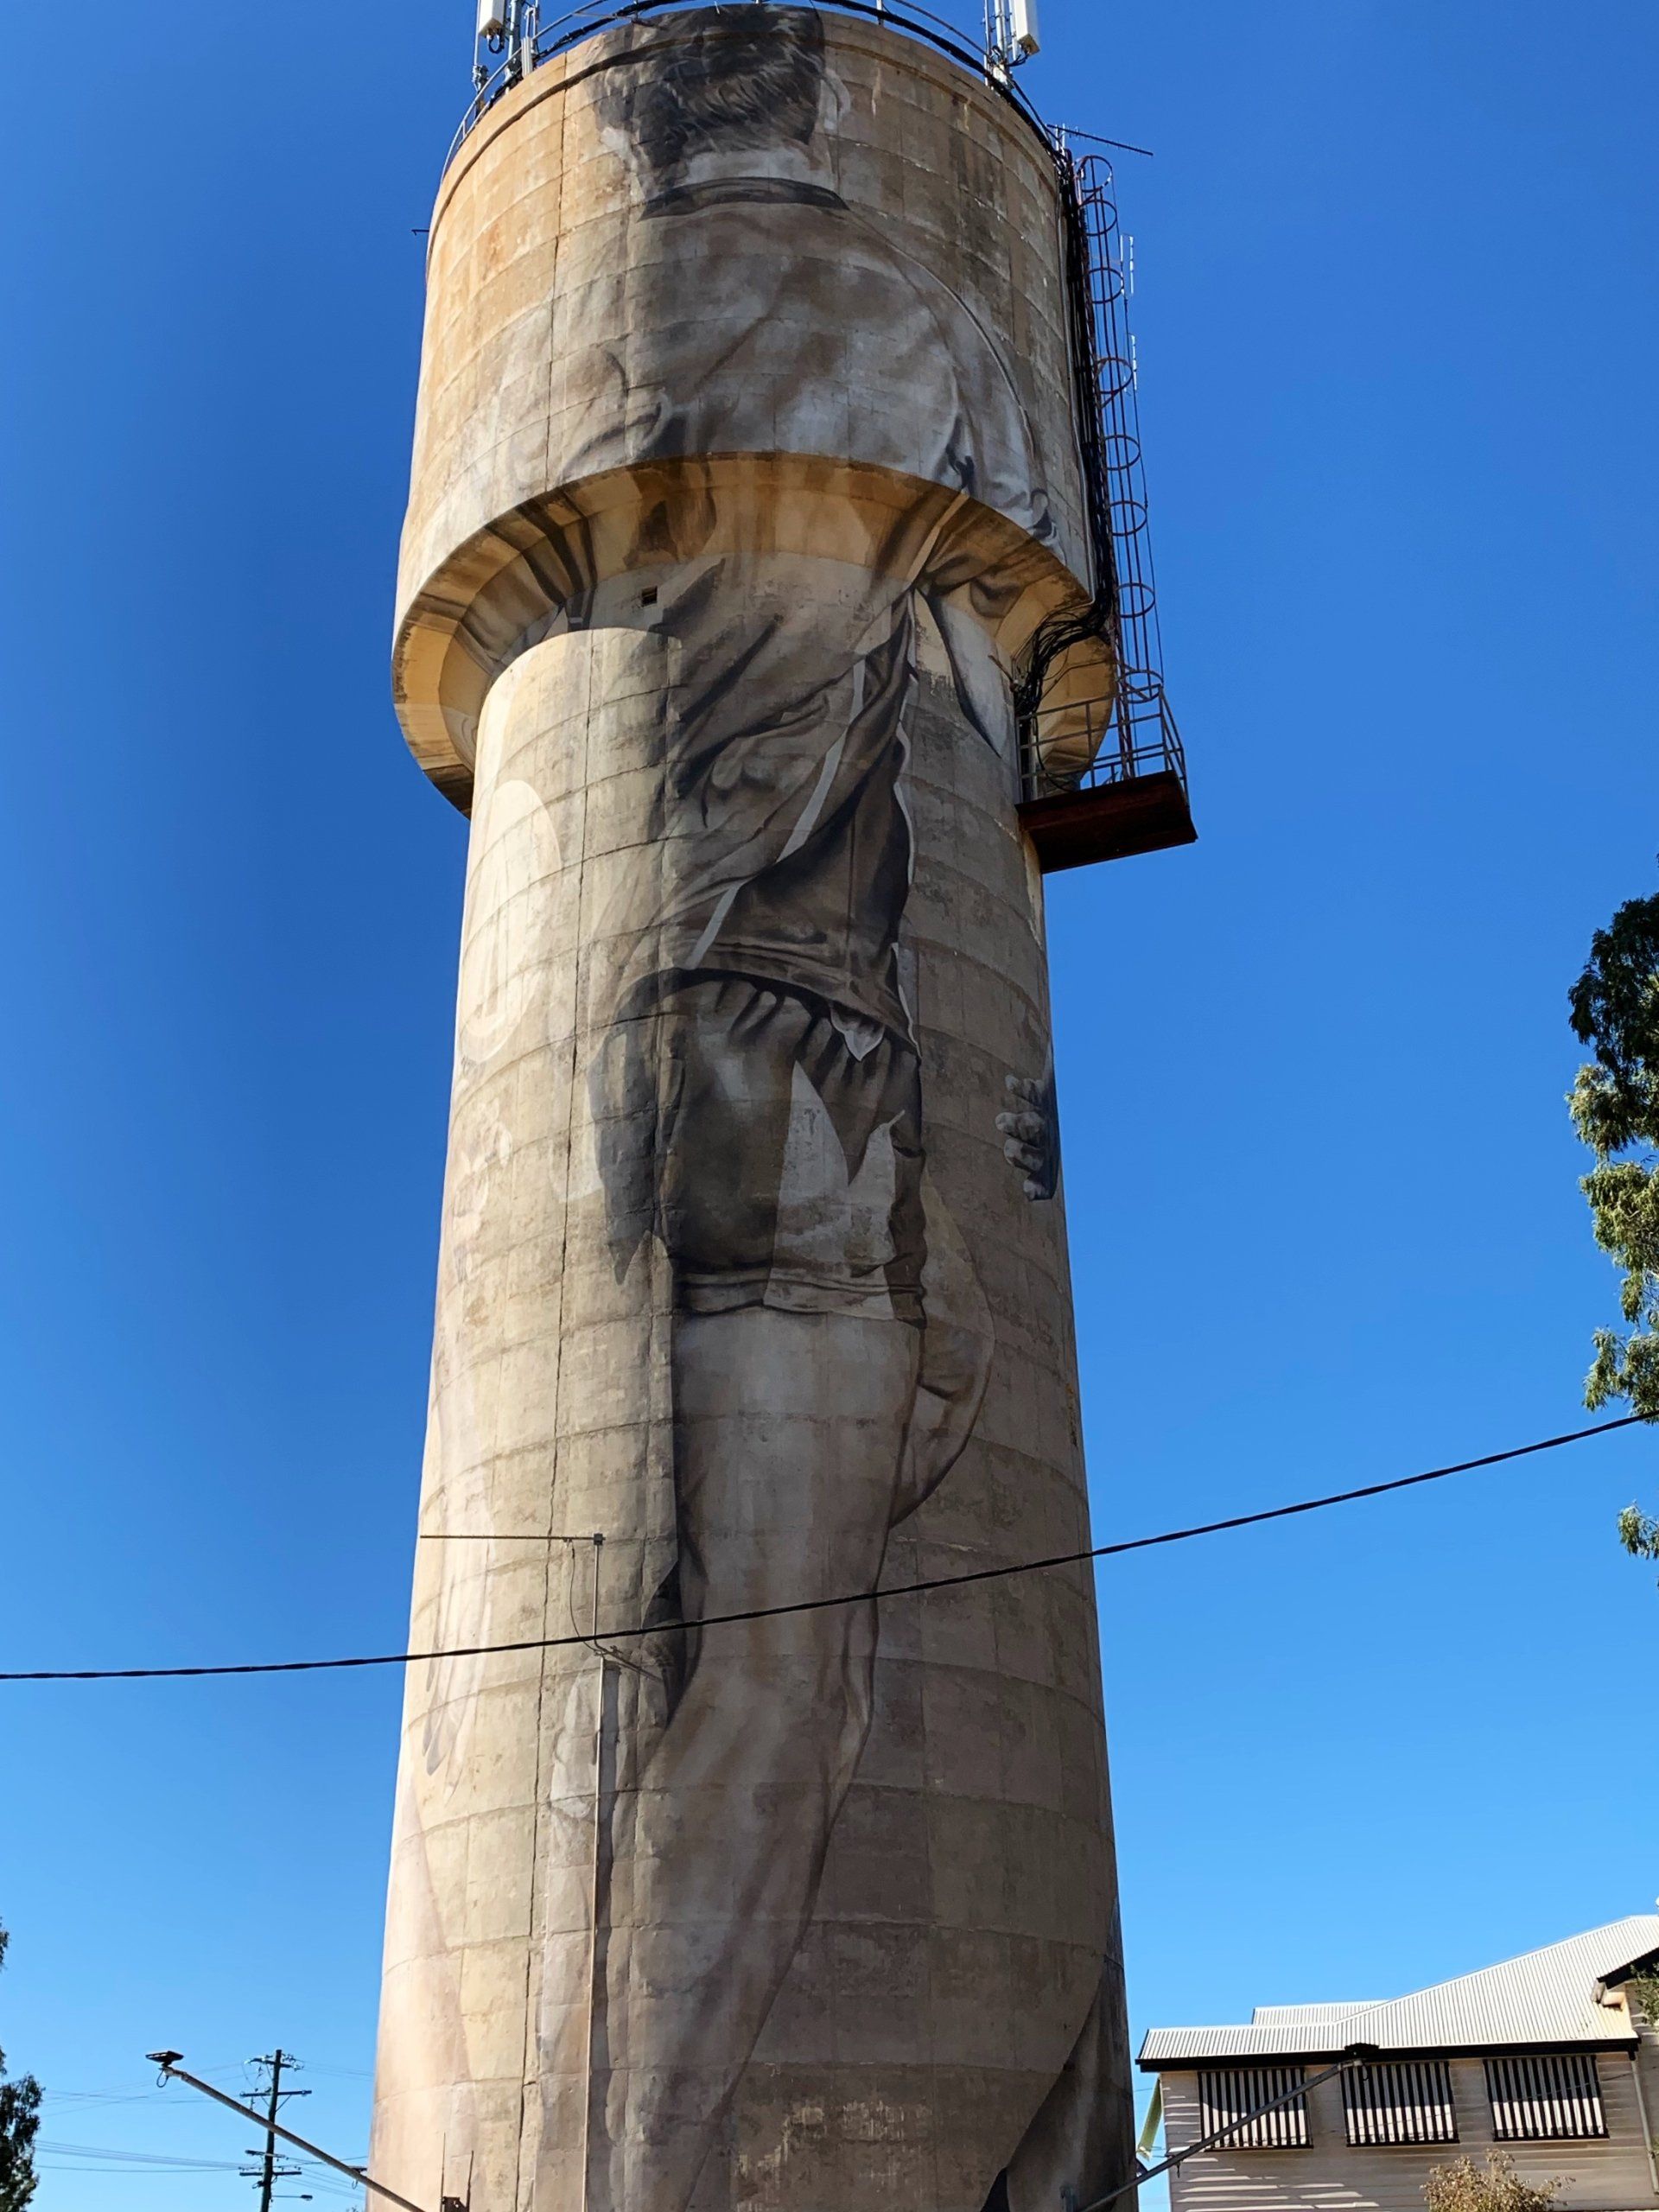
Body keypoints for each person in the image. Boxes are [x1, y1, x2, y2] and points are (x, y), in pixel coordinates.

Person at [550, 14, 1065, 2210]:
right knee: (787, 1685)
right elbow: (960, 703)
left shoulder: (663, 335)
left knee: (642, 1652)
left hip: (651, 1035)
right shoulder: (925, 360)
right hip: (818, 1034)